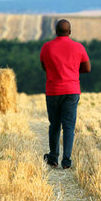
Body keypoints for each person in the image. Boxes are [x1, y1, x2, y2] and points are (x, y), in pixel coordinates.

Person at [39, 19, 91, 169]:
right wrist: (73, 71)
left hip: (53, 91)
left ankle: (53, 158)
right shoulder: (78, 47)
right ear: (69, 31)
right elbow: (87, 68)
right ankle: (66, 161)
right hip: (72, 91)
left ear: (56, 31)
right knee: (69, 126)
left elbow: (44, 67)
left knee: (54, 125)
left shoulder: (46, 47)